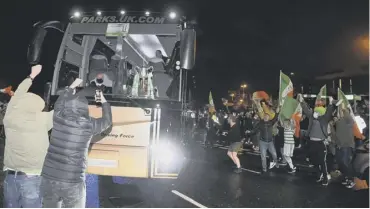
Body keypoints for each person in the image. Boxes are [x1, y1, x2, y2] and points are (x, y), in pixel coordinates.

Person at [40, 78, 112, 208]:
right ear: (85, 108)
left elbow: (60, 102)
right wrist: (104, 101)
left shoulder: (58, 117)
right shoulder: (89, 124)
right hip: (73, 180)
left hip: (49, 177)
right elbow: (107, 121)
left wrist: (72, 86)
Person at [2, 65, 53, 207]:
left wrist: (31, 76)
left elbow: (17, 96)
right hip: (32, 179)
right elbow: (63, 108)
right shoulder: (42, 119)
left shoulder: (9, 117)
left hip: (10, 179)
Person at [298, 94, 340, 186]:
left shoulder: (324, 119)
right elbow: (306, 110)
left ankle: (325, 178)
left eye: (319, 111)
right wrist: (302, 101)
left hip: (320, 143)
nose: (317, 112)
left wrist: (331, 102)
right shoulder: (312, 117)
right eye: (316, 110)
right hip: (312, 142)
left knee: (322, 161)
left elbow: (329, 111)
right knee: (314, 160)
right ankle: (319, 174)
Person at [249, 108, 280, 173]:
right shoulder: (260, 123)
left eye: (267, 117)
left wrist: (277, 112)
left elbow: (275, 118)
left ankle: (276, 162)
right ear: (263, 117)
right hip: (262, 142)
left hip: (270, 142)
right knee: (263, 156)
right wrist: (249, 132)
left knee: (274, 154)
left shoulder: (271, 122)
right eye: (265, 116)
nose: (266, 117)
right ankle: (264, 168)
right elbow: (255, 130)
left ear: (269, 118)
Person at [335, 105, 356, 188]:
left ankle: (350, 180)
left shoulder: (348, 120)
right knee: (341, 162)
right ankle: (345, 178)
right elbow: (338, 134)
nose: (339, 112)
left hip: (346, 145)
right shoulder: (339, 120)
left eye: (341, 111)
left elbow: (351, 120)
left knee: (345, 162)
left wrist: (343, 108)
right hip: (340, 145)